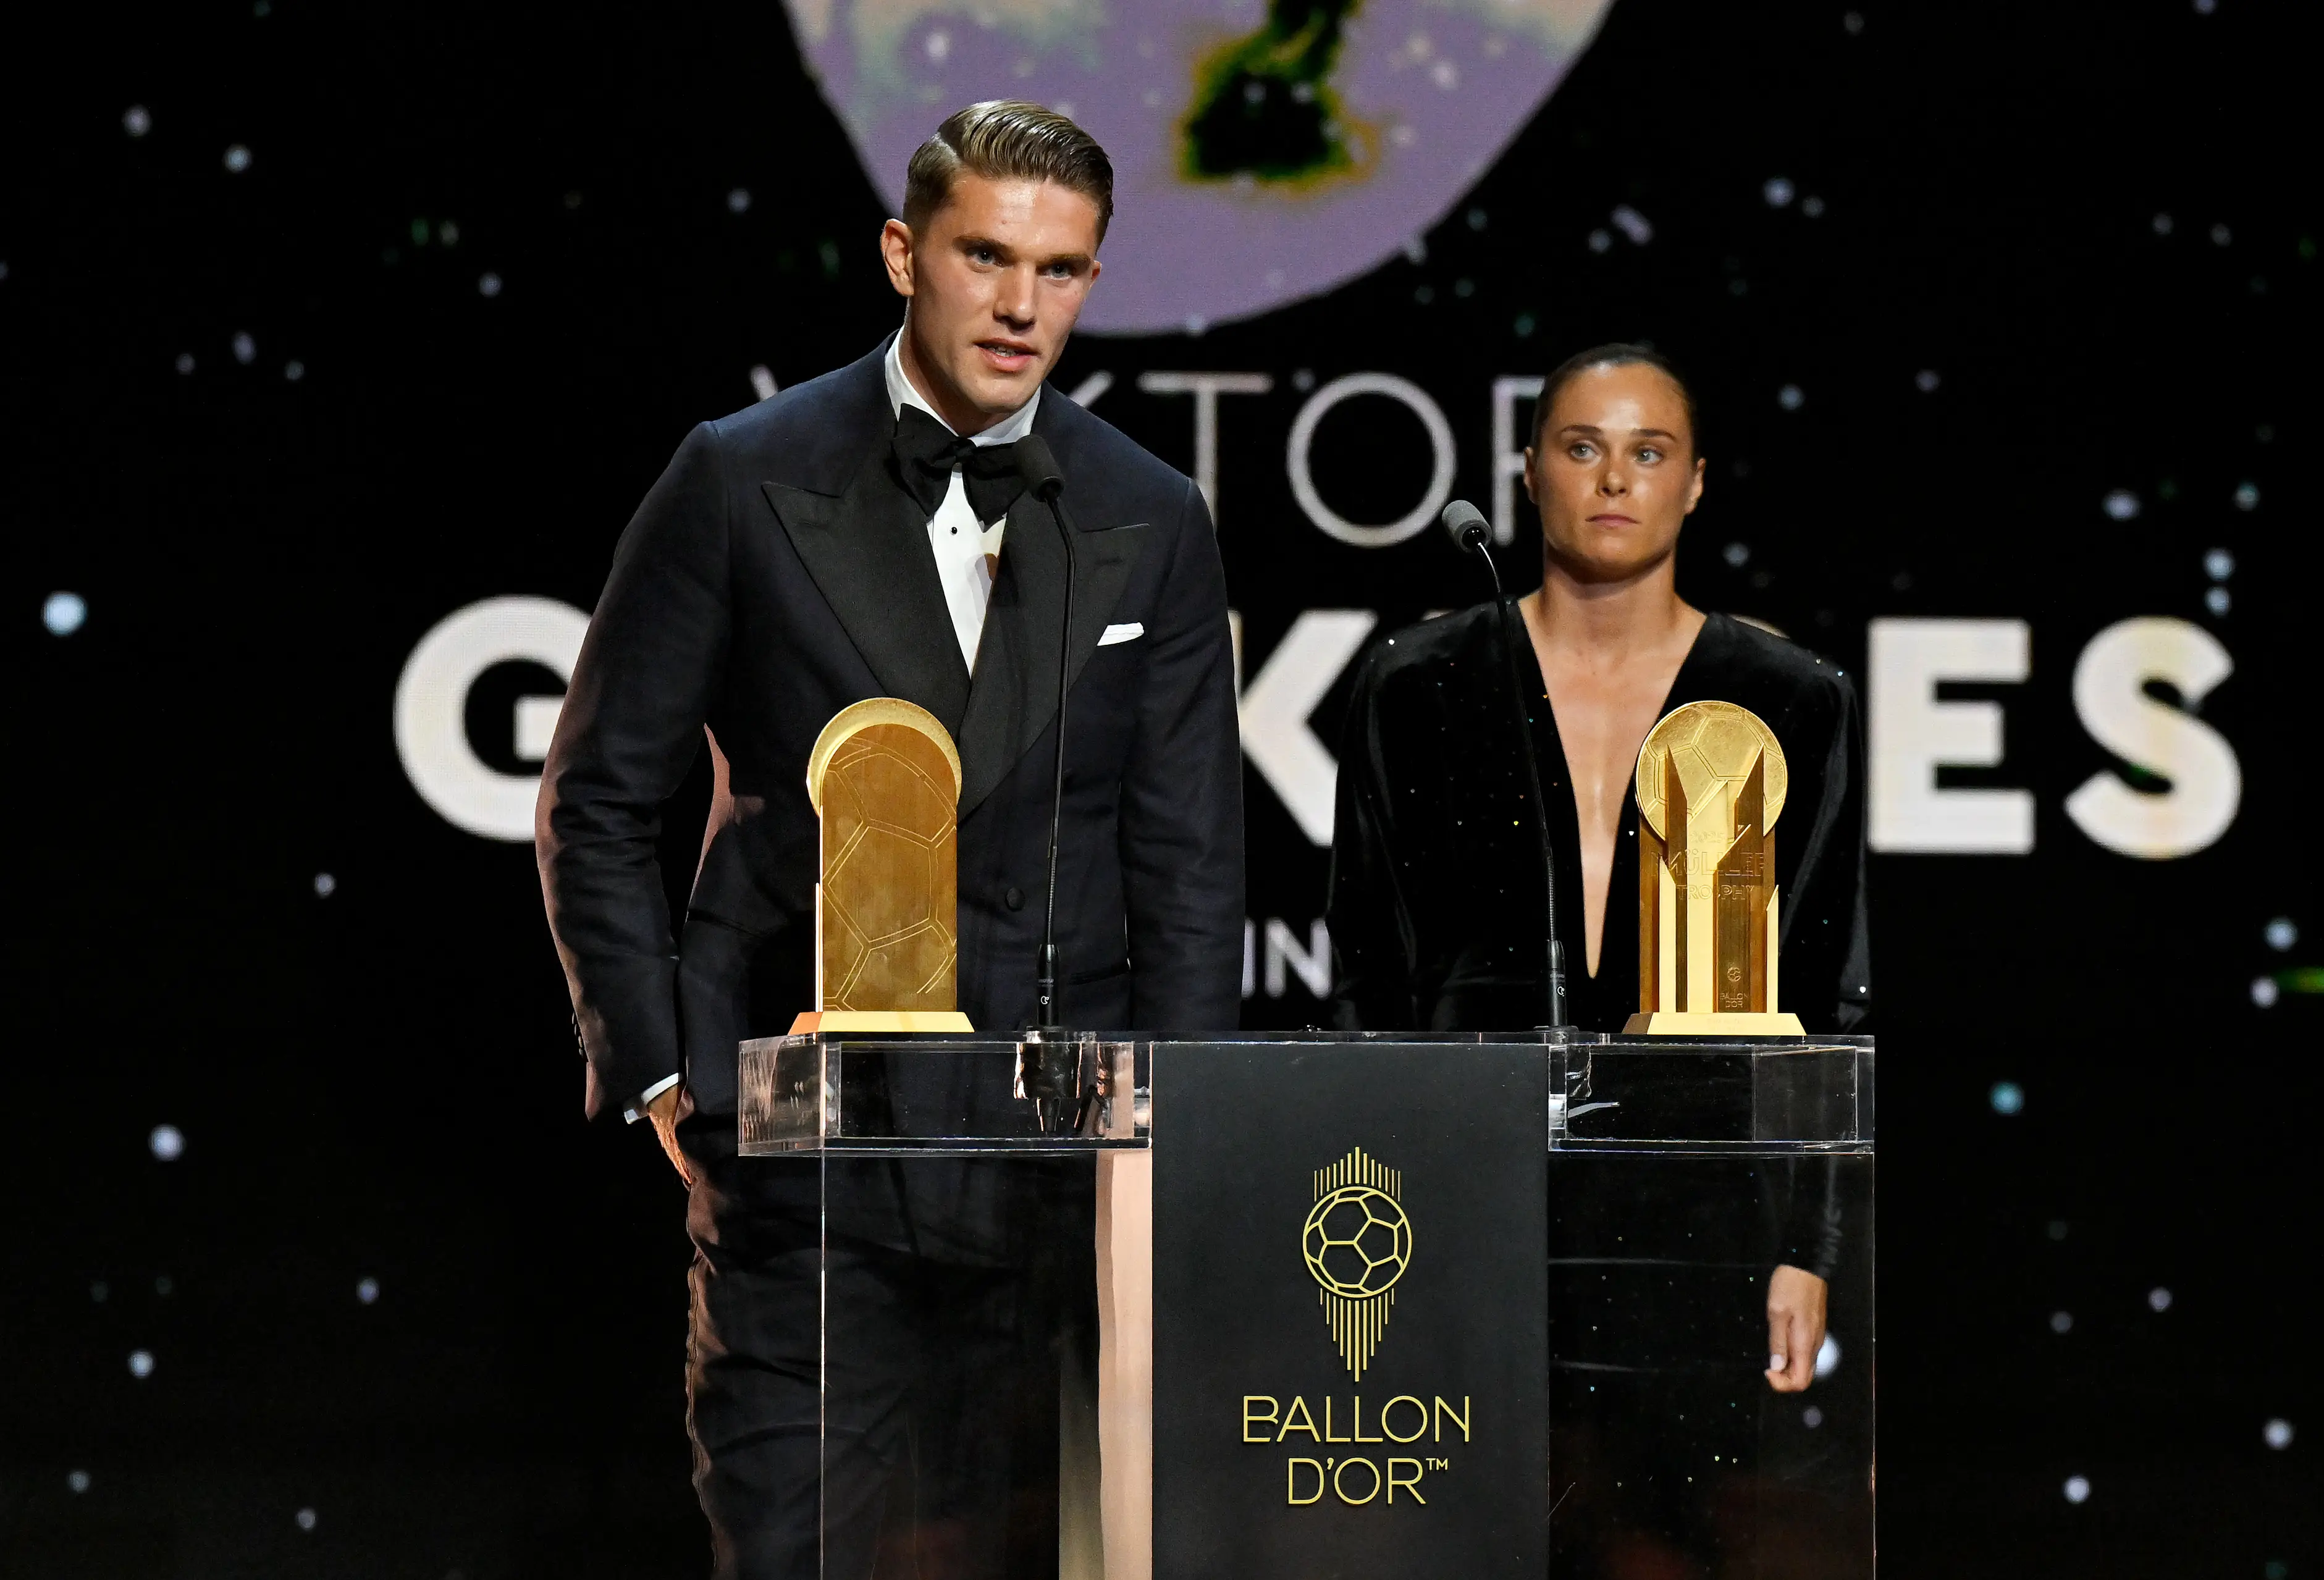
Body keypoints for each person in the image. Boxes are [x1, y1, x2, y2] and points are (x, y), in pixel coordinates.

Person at [536, 101, 1244, 1578]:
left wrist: (1171, 1149)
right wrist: (666, 1073)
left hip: (1054, 1165)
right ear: (904, 254)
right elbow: (600, 796)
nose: (1022, 305)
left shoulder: (1150, 513)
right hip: (804, 1160)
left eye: (1060, 270)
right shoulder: (742, 474)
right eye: (987, 257)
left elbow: (1186, 861)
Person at [1326, 341, 1866, 1369]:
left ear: (1695, 482)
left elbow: (1827, 989)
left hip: (1705, 1191)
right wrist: (1368, 1189)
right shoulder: (1417, 682)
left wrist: (1811, 1244)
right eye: (1583, 448)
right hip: (1456, 1183)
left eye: (1649, 452)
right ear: (1531, 472)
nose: (1615, 478)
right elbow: (1369, 970)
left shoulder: (1791, 697)